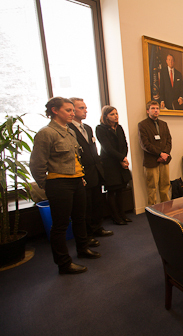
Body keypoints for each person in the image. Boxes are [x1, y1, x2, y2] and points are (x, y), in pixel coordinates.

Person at [30, 97, 100, 275]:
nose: (72, 113)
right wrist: (45, 184)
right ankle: (63, 263)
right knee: (60, 225)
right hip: (58, 183)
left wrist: (81, 177)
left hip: (77, 180)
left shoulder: (69, 131)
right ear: (55, 110)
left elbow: (75, 158)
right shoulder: (46, 133)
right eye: (68, 110)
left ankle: (82, 249)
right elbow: (37, 164)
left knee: (79, 218)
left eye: (72, 110)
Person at [68, 98, 113, 246]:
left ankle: (97, 227)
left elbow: (93, 148)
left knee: (96, 203)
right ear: (73, 110)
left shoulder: (87, 128)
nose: (85, 110)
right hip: (82, 172)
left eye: (85, 108)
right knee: (85, 206)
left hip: (95, 170)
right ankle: (87, 235)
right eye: (81, 108)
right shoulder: (68, 129)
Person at [96, 105, 132, 225]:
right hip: (109, 163)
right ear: (105, 116)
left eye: (116, 113)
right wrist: (121, 158)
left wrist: (124, 157)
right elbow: (107, 148)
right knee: (112, 191)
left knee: (121, 190)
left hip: (120, 162)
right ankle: (115, 216)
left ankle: (122, 214)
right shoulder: (100, 129)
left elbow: (124, 144)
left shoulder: (119, 127)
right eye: (112, 114)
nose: (115, 116)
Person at [138, 100, 172, 206]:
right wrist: (159, 154)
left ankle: (166, 209)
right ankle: (153, 211)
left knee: (165, 186)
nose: (156, 110)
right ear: (148, 111)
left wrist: (165, 154)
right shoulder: (142, 125)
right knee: (152, 188)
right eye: (153, 108)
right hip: (151, 161)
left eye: (157, 108)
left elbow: (168, 141)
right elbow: (145, 144)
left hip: (164, 160)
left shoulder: (163, 124)